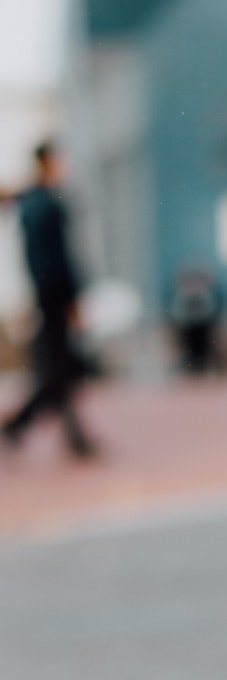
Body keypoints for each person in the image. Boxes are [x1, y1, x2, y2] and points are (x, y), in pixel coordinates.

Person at [1, 141, 95, 459]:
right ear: (49, 162)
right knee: (59, 369)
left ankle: (73, 436)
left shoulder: (33, 202)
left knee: (60, 369)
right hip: (53, 300)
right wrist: (72, 301)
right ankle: (19, 426)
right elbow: (56, 260)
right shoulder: (46, 205)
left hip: (47, 298)